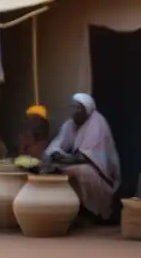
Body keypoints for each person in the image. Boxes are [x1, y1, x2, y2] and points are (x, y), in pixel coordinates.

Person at [44, 93, 121, 222]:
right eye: (72, 108)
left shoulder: (97, 123)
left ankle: (96, 213)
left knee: (80, 170)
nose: (75, 112)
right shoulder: (70, 124)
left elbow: (87, 158)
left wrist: (63, 161)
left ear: (88, 109)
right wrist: (54, 155)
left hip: (103, 177)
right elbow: (57, 145)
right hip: (77, 162)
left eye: (78, 108)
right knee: (54, 170)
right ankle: (72, 211)